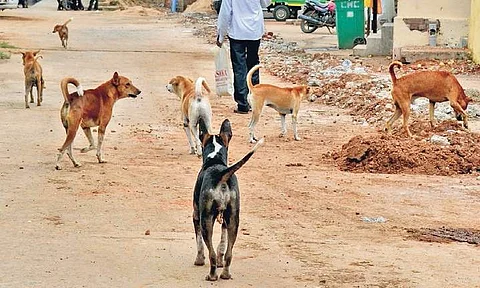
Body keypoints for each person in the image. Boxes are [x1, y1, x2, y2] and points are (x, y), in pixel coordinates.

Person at [216, 0, 271, 114]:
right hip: (254, 32)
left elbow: (225, 13)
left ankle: (242, 104)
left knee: (239, 68)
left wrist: (221, 36)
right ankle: (255, 101)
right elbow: (266, 3)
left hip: (237, 32)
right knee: (253, 65)